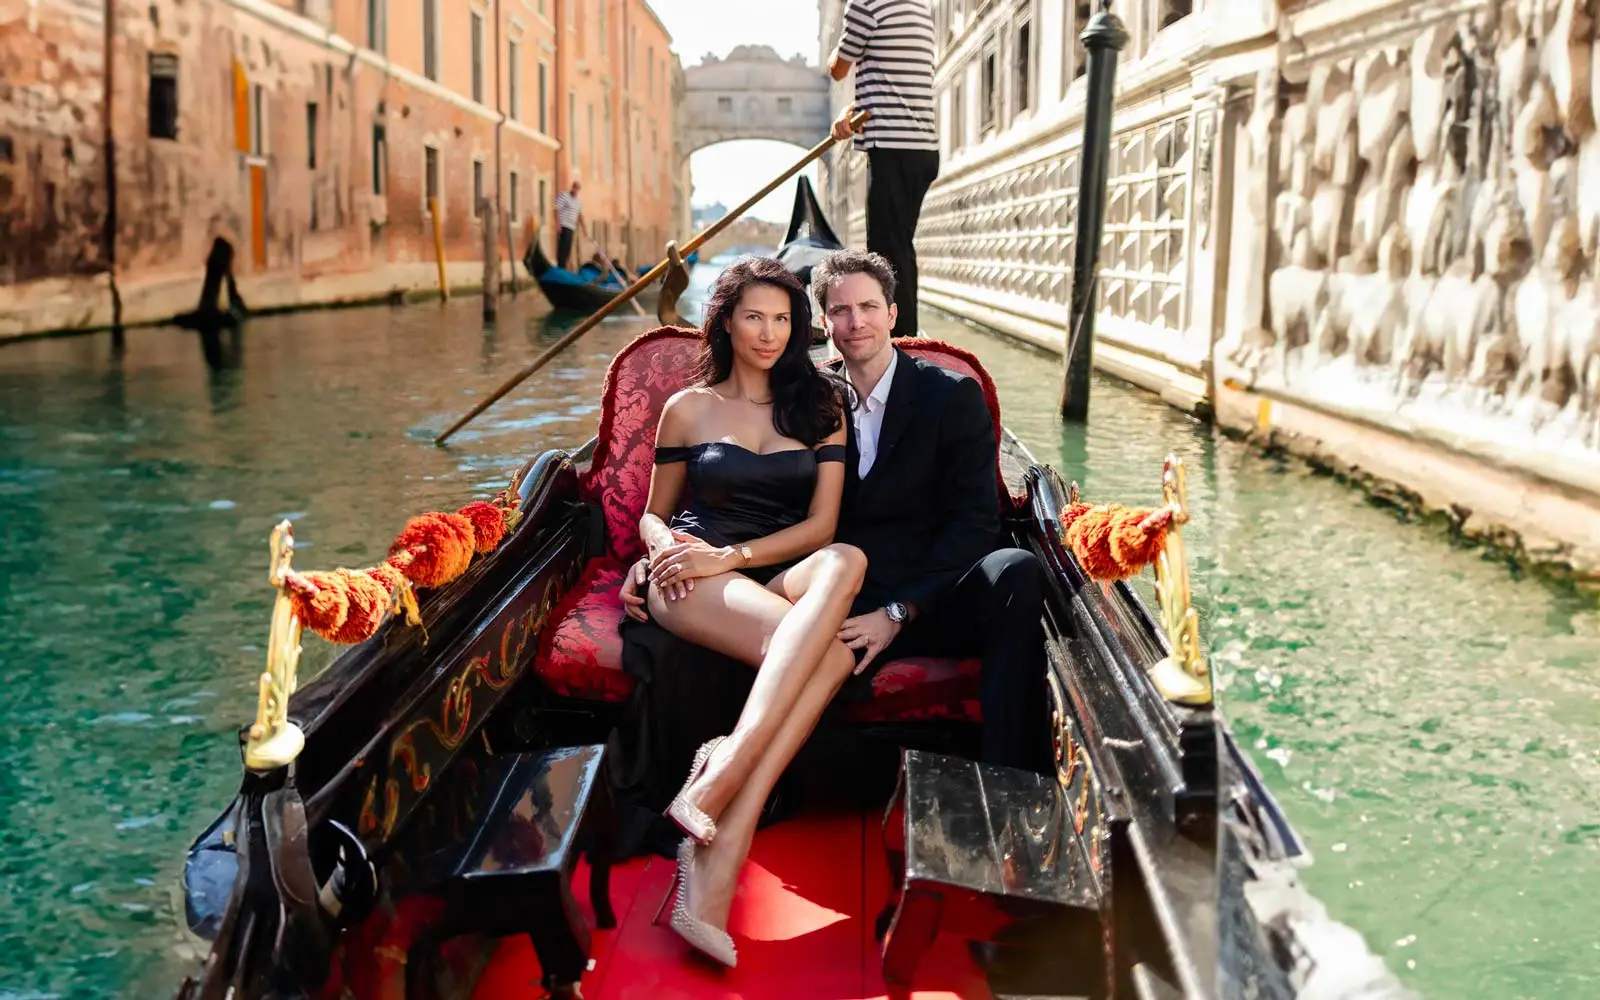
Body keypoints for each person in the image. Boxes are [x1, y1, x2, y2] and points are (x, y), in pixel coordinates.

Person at [629, 256, 865, 968]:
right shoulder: (688, 407)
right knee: (831, 656)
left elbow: (823, 529)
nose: (769, 334)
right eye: (755, 317)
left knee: (847, 561)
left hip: (764, 568)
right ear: (726, 321)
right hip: (690, 577)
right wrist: (673, 551)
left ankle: (725, 768)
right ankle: (720, 848)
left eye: (783, 320)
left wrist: (730, 559)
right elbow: (650, 515)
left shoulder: (821, 407)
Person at [828, 0, 939, 337]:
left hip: (892, 148)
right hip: (922, 150)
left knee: (887, 255)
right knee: (900, 249)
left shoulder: (865, 5)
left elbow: (837, 68)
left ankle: (900, 342)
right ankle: (903, 337)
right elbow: (893, 80)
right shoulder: (919, 7)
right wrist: (852, 111)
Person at [554, 179, 582, 269]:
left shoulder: (578, 202)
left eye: (577, 188)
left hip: (571, 227)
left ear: (579, 190)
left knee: (568, 249)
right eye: (574, 187)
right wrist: (557, 224)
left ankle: (563, 267)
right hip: (564, 225)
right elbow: (556, 210)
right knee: (562, 248)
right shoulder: (564, 196)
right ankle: (560, 266)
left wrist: (583, 228)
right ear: (572, 187)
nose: (575, 190)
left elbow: (579, 215)